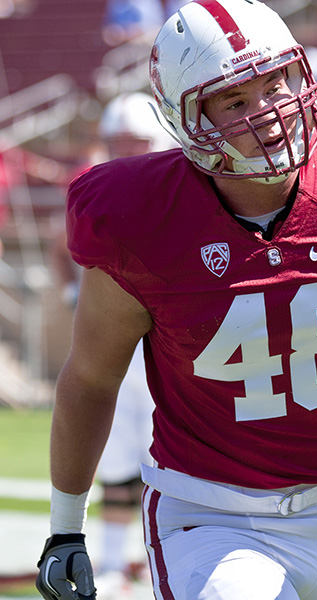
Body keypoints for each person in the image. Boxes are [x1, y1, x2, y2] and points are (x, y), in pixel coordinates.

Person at [35, 1, 317, 599]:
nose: (270, 113)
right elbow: (90, 379)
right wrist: (65, 531)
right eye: (235, 100)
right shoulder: (139, 219)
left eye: (276, 83)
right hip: (211, 514)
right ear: (186, 117)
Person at [48, 92, 175, 596]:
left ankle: (156, 548)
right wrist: (69, 291)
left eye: (136, 140)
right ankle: (111, 556)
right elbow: (62, 248)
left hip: (169, 338)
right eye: (119, 139)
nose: (127, 149)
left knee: (169, 443)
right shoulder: (95, 189)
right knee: (116, 443)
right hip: (114, 336)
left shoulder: (179, 186)